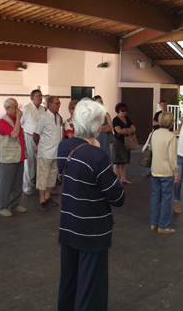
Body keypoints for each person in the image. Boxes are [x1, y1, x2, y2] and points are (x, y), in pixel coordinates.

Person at [56, 98, 125, 311]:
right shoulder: (97, 156)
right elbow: (117, 197)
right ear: (97, 127)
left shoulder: (64, 146)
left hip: (68, 224)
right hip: (91, 231)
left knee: (69, 280)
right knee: (90, 288)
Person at [0, 98, 27, 217]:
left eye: (17, 106)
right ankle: (2, 206)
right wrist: (19, 119)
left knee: (17, 183)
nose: (17, 109)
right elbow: (14, 134)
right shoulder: (3, 121)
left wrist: (18, 119)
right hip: (7, 158)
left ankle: (14, 204)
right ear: (7, 108)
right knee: (5, 184)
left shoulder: (15, 120)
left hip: (18, 156)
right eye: (15, 107)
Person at [150, 112, 178, 234]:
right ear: (171, 123)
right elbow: (172, 159)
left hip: (155, 170)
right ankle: (164, 226)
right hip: (166, 172)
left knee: (155, 197)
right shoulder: (171, 137)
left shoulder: (154, 134)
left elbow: (151, 149)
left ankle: (154, 223)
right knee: (166, 198)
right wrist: (176, 173)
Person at [34, 96, 62, 212]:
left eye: (59, 103)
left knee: (51, 176)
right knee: (43, 176)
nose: (59, 105)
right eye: (57, 103)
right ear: (49, 104)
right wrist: (41, 146)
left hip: (55, 152)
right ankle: (42, 200)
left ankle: (48, 196)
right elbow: (35, 134)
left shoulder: (58, 117)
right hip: (45, 153)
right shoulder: (43, 118)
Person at [20, 89, 45, 196]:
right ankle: (26, 187)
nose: (40, 98)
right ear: (32, 98)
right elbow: (20, 123)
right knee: (29, 162)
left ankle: (39, 184)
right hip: (29, 137)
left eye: (41, 96)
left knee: (40, 162)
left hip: (40, 138)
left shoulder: (43, 109)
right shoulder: (26, 109)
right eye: (38, 96)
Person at [112, 102, 136, 185]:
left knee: (124, 161)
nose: (124, 112)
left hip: (127, 142)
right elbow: (118, 131)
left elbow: (134, 129)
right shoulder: (116, 119)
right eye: (122, 110)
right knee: (117, 161)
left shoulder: (127, 119)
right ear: (118, 110)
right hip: (118, 142)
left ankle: (123, 178)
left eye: (125, 110)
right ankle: (117, 179)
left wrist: (125, 130)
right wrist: (128, 130)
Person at [144, 100, 168, 178]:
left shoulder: (169, 114)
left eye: (164, 105)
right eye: (162, 105)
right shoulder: (157, 114)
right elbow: (154, 123)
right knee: (152, 151)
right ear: (160, 106)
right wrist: (162, 124)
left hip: (166, 135)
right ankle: (149, 171)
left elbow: (169, 124)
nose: (163, 106)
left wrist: (160, 123)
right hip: (157, 133)